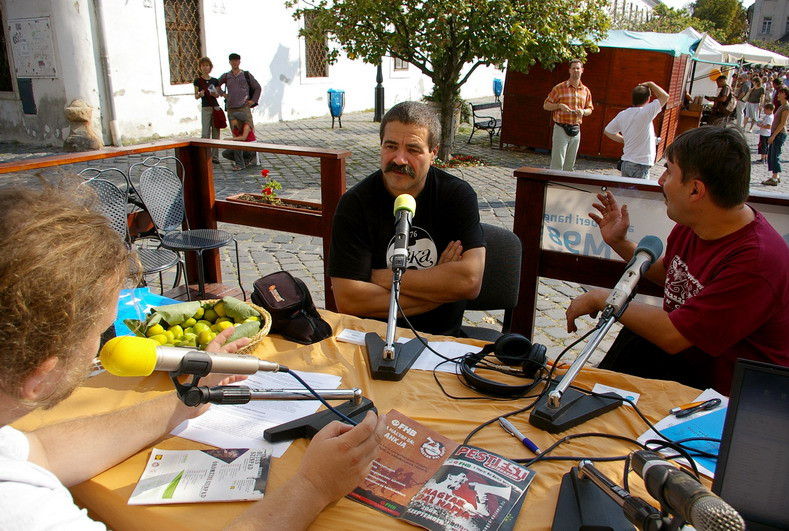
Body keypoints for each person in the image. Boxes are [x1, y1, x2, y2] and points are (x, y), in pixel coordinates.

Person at [0, 183, 383, 529]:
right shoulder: (22, 508)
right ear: (39, 376)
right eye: (97, 334)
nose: (97, 351)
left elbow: (42, 451)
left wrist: (189, 401)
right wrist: (313, 486)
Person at [565, 126, 789, 395]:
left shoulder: (756, 262)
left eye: (669, 171)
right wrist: (619, 243)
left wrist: (605, 298)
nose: (661, 180)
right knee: (635, 337)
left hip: (734, 398)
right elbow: (673, 274)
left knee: (638, 330)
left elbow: (674, 336)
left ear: (696, 190)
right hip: (691, 367)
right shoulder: (699, 222)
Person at [327, 101, 486, 337]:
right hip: (372, 338)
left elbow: (469, 281)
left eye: (413, 149)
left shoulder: (456, 196)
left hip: (442, 340)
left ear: (433, 153)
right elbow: (350, 301)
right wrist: (439, 290)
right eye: (391, 146)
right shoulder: (355, 203)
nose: (399, 159)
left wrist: (385, 276)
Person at [603, 81, 670, 179]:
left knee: (625, 193)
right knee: (639, 194)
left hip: (626, 163)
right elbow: (665, 96)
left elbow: (608, 131)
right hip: (641, 164)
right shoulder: (646, 112)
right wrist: (650, 84)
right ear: (648, 99)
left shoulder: (623, 114)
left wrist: (623, 139)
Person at [543, 59, 594, 171]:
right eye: (573, 68)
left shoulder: (585, 91)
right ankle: (553, 185)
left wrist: (583, 112)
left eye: (578, 68)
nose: (576, 70)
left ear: (582, 70)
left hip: (576, 129)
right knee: (558, 162)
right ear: (569, 70)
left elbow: (590, 108)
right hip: (561, 128)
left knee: (570, 165)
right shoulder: (559, 88)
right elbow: (546, 105)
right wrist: (559, 106)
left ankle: (565, 187)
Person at [218, 53, 261, 127]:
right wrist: (223, 94)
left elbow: (257, 88)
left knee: (248, 131)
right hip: (231, 108)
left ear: (239, 62)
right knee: (236, 131)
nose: (234, 63)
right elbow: (216, 85)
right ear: (229, 62)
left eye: (236, 60)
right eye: (232, 61)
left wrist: (253, 100)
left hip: (244, 107)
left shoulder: (246, 75)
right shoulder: (226, 76)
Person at [194, 56, 222, 164]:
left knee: (216, 133)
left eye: (207, 65)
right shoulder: (197, 81)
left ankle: (215, 157)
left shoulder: (214, 80)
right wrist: (200, 94)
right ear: (200, 67)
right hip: (205, 108)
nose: (205, 67)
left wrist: (215, 94)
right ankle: (204, 155)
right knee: (205, 133)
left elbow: (218, 94)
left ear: (210, 67)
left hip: (215, 107)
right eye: (203, 65)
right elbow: (196, 96)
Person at [763, 86, 789, 186]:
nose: (778, 95)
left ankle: (774, 177)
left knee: (775, 155)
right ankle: (775, 176)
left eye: (781, 93)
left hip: (779, 134)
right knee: (771, 155)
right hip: (775, 133)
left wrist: (773, 136)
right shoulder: (781, 106)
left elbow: (782, 123)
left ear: (785, 94)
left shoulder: (786, 107)